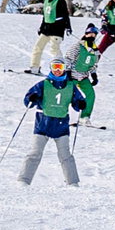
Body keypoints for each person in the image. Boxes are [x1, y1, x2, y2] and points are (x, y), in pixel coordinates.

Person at [18, 56, 86, 186]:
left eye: (60, 67)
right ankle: (23, 180)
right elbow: (28, 100)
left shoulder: (70, 86)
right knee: (35, 153)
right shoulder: (44, 84)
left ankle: (72, 182)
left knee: (65, 154)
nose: (57, 70)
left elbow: (78, 101)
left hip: (61, 126)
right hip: (43, 124)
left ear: (65, 68)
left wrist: (80, 104)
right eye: (54, 67)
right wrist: (31, 98)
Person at [28, 0, 71, 73]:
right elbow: (45, 16)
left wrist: (68, 27)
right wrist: (41, 27)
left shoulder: (60, 0)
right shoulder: (47, 0)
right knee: (37, 47)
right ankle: (34, 68)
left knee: (54, 49)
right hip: (46, 29)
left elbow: (65, 15)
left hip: (56, 30)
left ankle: (62, 68)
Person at [71, 24, 99, 122]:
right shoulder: (78, 46)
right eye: (89, 34)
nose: (91, 36)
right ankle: (58, 116)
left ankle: (84, 117)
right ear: (85, 34)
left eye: (94, 34)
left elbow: (93, 65)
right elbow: (68, 59)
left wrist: (94, 75)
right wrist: (66, 72)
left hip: (83, 77)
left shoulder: (95, 50)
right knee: (67, 95)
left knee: (91, 95)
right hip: (72, 77)